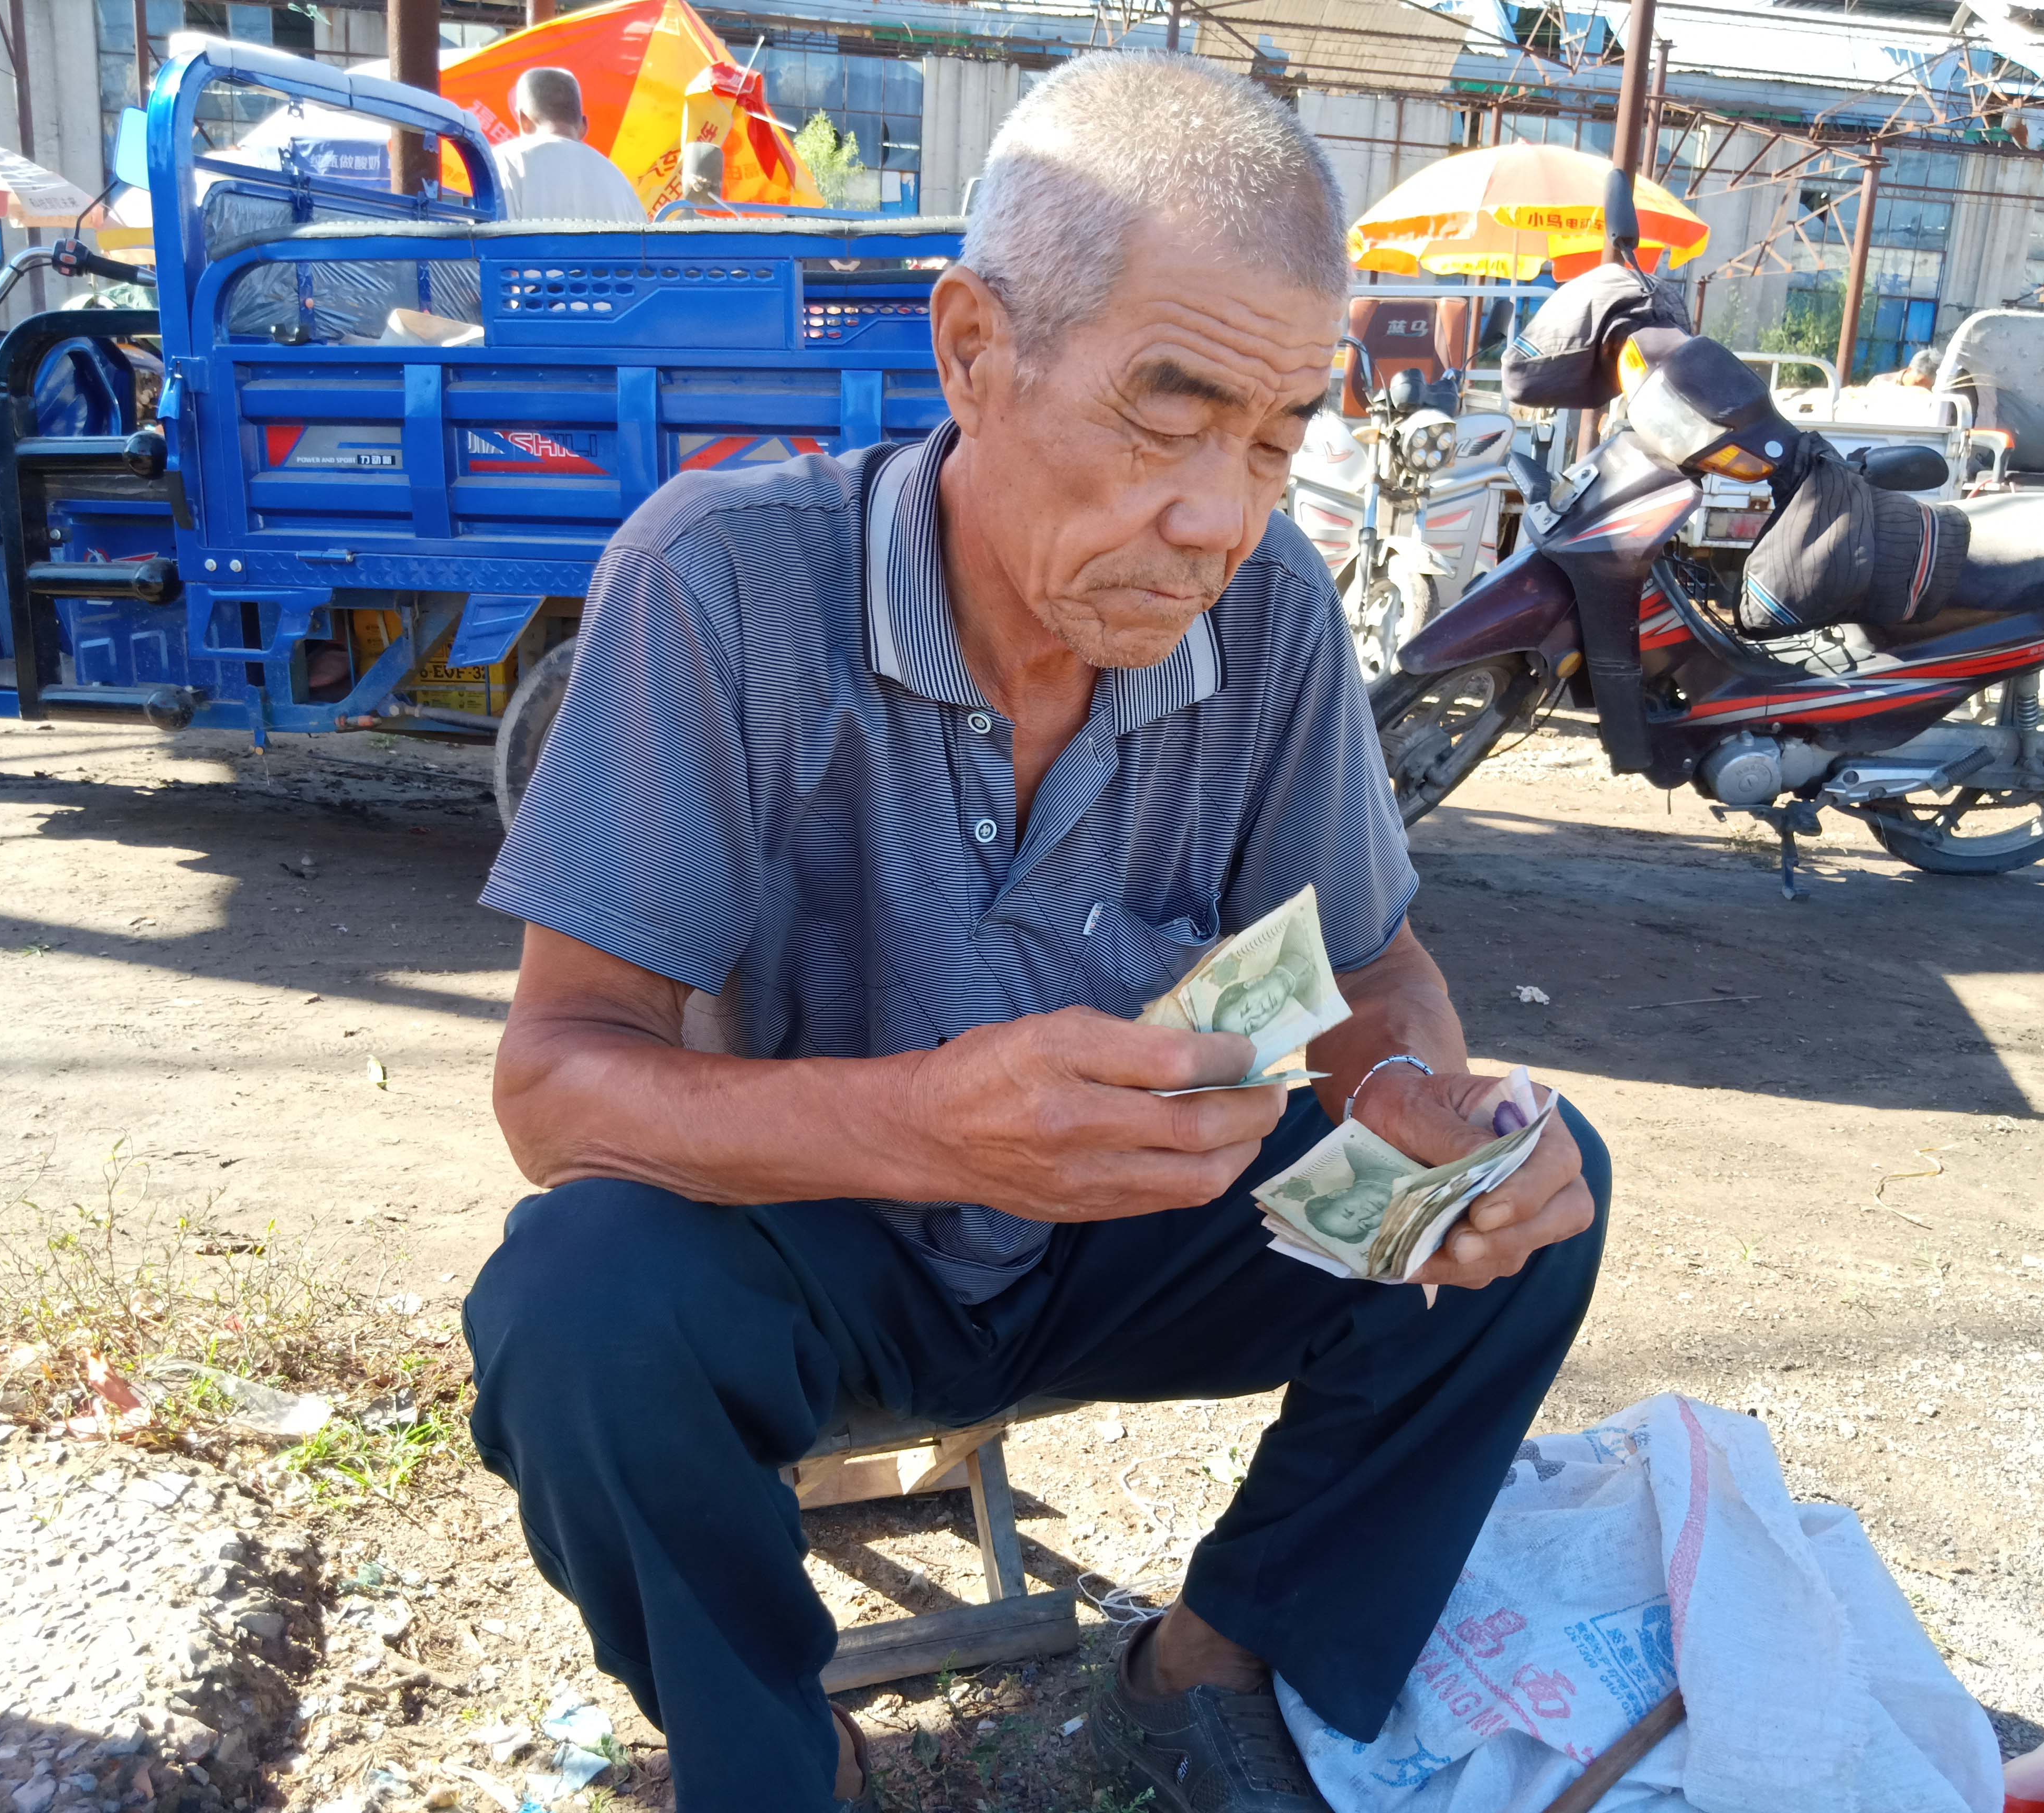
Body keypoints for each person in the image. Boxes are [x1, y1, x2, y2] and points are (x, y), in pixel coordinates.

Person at [462, 49, 1609, 1813]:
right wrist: (919, 1119)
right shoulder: (724, 583)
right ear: (971, 350)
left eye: (1274, 440)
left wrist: (1419, 1115)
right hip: (814, 1255)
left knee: (1532, 1192)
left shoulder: (1274, 610)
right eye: (1166, 419)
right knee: (577, 1307)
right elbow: (555, 1090)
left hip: (1123, 1237)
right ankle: (776, 1752)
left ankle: (1211, 1658)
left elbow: (1369, 975)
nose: (1217, 517)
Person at [490, 67, 647, 223]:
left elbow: (491, 238)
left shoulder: (504, 163)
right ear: (584, 126)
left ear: (524, 119)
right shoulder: (620, 182)